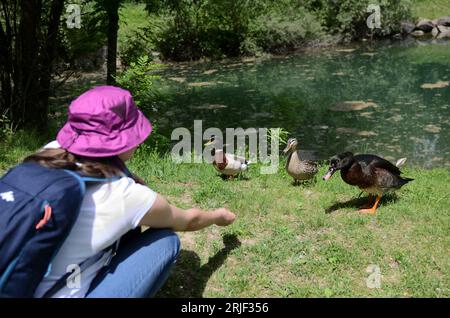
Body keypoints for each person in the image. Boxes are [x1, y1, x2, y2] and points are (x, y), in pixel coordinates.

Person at [27, 86, 236, 298]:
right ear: (123, 139)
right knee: (166, 241)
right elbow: (188, 220)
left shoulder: (47, 153)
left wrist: (127, 175)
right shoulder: (124, 195)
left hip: (15, 282)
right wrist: (219, 215)